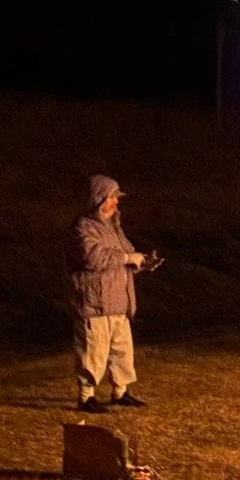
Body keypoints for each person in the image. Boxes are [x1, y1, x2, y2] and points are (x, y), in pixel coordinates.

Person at [66, 175, 147, 412]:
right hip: (95, 301)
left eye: (116, 198)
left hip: (118, 300)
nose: (115, 203)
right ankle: (86, 396)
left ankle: (120, 392)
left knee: (121, 350)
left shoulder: (113, 228)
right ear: (98, 198)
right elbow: (93, 258)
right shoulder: (82, 227)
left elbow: (124, 256)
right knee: (93, 351)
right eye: (112, 197)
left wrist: (140, 262)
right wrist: (125, 258)